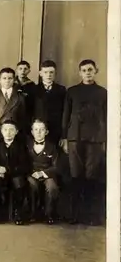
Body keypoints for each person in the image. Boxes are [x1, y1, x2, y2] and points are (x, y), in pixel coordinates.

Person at [61, 59, 107, 225]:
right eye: (84, 70)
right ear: (80, 73)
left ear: (96, 71)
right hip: (75, 138)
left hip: (95, 140)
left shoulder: (103, 93)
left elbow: (107, 117)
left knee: (92, 176)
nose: (88, 72)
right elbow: (65, 116)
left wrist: (104, 139)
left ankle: (91, 216)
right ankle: (75, 215)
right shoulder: (72, 92)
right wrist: (65, 138)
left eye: (90, 70)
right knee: (75, 175)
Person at [0, 120, 30, 225]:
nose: (8, 132)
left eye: (11, 130)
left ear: (16, 132)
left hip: (15, 174)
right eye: (5, 130)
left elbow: (24, 165)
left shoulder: (21, 146)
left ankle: (18, 213)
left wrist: (7, 170)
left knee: (19, 183)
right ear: (1, 131)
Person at [27, 119, 59, 224]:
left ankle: (48, 214)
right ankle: (32, 213)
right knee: (31, 184)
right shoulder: (26, 146)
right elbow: (23, 162)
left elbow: (56, 166)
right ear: (32, 132)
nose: (39, 132)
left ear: (46, 132)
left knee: (51, 187)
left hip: (47, 174)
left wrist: (42, 173)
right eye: (36, 129)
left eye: (41, 129)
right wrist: (31, 173)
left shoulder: (52, 147)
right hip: (31, 173)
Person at [0, 67, 28, 140]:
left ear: (14, 80)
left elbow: (23, 119)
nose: (7, 81)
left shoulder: (20, 98)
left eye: (10, 78)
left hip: (14, 136)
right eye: (4, 78)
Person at [33, 60, 66, 145]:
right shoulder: (33, 90)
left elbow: (64, 112)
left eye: (51, 72)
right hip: (38, 131)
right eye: (45, 72)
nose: (48, 75)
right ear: (40, 73)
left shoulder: (61, 90)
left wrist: (63, 135)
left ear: (55, 73)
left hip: (55, 131)